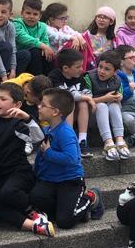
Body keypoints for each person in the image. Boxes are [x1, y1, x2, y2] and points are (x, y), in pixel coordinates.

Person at [0, 82, 55, 237]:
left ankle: (34, 211)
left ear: (17, 105)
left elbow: (39, 138)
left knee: (8, 193)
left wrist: (27, 118)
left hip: (19, 172)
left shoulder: (18, 124)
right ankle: (31, 225)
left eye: (3, 99)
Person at [30, 89, 102, 229]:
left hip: (69, 181)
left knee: (64, 222)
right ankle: (73, 209)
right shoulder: (47, 129)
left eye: (43, 105)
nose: (38, 107)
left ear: (55, 112)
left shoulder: (65, 132)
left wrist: (49, 152)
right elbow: (40, 156)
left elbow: (72, 159)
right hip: (50, 180)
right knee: (35, 198)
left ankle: (91, 197)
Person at [83, 51, 129, 160]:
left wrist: (119, 97)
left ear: (115, 71)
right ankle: (108, 142)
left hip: (109, 114)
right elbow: (85, 101)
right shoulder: (88, 77)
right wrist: (104, 99)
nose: (102, 71)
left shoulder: (117, 80)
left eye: (107, 69)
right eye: (100, 67)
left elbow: (120, 94)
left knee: (114, 105)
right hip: (90, 114)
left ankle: (119, 140)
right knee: (102, 106)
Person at [48, 48, 94, 156]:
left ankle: (82, 140)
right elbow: (65, 95)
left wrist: (86, 98)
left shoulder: (80, 77)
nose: (81, 69)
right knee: (69, 102)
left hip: (77, 113)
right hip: (58, 113)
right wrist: (86, 98)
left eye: (81, 66)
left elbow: (88, 93)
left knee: (83, 103)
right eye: (78, 67)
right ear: (65, 68)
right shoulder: (55, 76)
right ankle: (68, 139)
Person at [13, 0, 55, 76]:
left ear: (40, 16)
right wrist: (44, 46)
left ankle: (49, 79)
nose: (31, 16)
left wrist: (46, 48)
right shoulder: (16, 24)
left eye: (35, 14)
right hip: (20, 57)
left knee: (49, 54)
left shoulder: (42, 26)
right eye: (28, 13)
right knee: (36, 51)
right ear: (22, 13)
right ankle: (36, 79)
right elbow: (23, 37)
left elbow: (45, 41)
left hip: (35, 59)